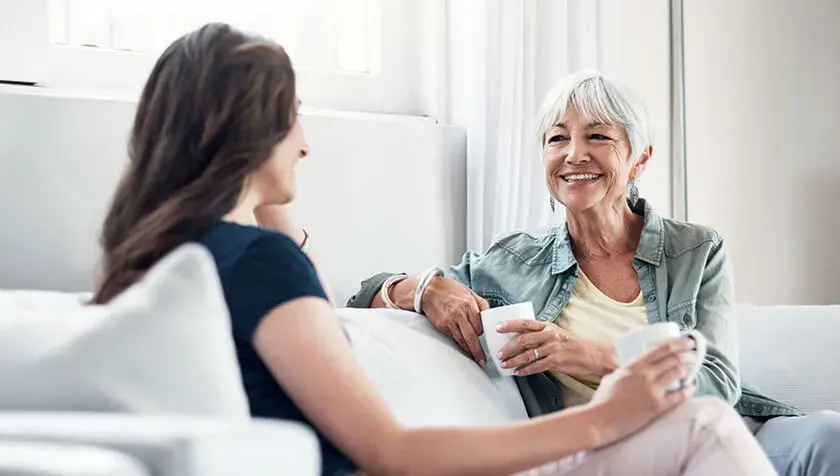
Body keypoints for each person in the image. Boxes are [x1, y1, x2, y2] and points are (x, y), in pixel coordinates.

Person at [92, 24, 775, 476]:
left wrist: (262, 192)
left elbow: (313, 294)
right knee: (707, 428)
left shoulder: (165, 256)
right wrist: (603, 418)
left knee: (732, 420)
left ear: (639, 158)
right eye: (294, 115)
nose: (307, 142)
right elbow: (389, 446)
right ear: (250, 130)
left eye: (598, 138)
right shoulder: (258, 265)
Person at [348, 70, 840, 476]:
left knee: (825, 435)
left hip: (725, 424)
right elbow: (364, 295)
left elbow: (715, 384)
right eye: (557, 138)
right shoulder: (514, 262)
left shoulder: (696, 250)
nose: (574, 154)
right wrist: (428, 289)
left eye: (598, 136)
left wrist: (583, 353)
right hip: (616, 449)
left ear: (639, 159)